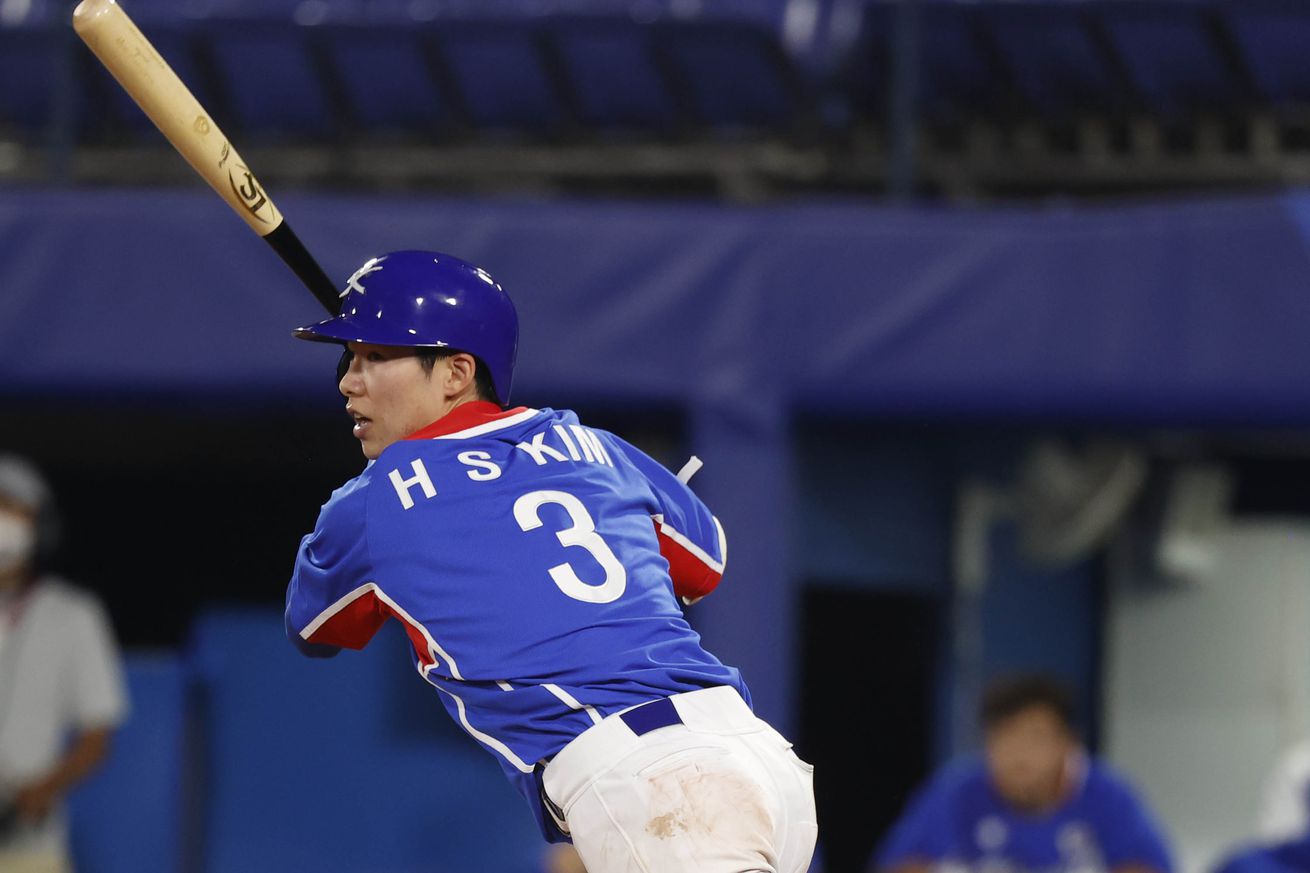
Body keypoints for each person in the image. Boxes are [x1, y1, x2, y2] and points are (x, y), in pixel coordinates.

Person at [283, 250, 818, 873]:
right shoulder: (593, 445)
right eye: (349, 356)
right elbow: (704, 565)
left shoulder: (370, 502)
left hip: (648, 781)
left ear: (456, 371)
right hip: (753, 756)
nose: (348, 381)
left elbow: (316, 631)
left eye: (375, 357)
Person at [873, 674, 1173, 873]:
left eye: (1035, 737)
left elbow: (1146, 865)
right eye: (1004, 737)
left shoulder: (1109, 795)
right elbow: (901, 864)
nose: (1019, 753)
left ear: (1067, 743)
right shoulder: (956, 791)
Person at [0, 456, 128, 873]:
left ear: (40, 527)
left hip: (30, 843)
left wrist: (41, 789)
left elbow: (97, 733)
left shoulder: (74, 614)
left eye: (15, 511)